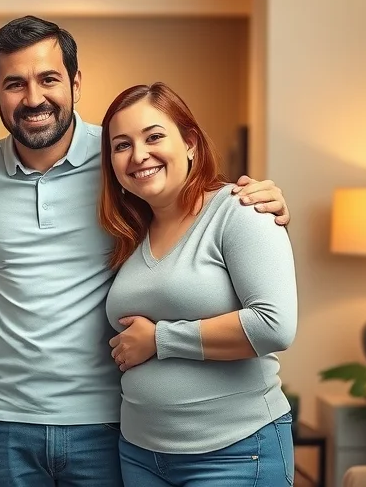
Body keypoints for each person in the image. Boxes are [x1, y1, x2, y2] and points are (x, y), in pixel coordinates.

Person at [0, 15, 291, 486]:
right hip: (1, 419)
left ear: (75, 83)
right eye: (14, 84)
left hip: (106, 418)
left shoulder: (121, 160)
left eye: (48, 78)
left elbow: (184, 201)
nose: (33, 98)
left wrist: (256, 203)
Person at [98, 82, 297, 486]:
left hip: (236, 451)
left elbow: (274, 325)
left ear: (190, 143)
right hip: (139, 453)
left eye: (154, 136)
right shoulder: (131, 234)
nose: (139, 155)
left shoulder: (240, 209)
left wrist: (160, 340)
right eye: (121, 145)